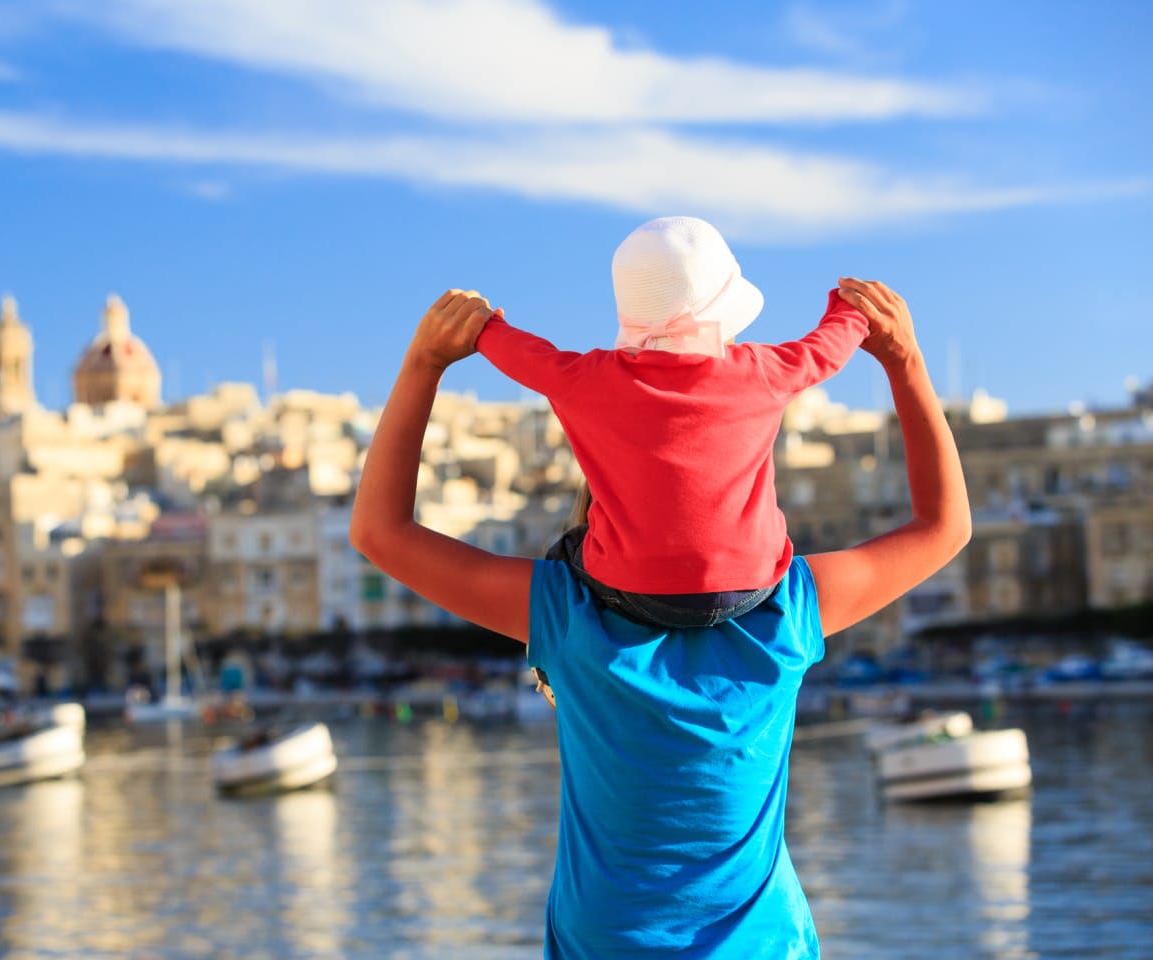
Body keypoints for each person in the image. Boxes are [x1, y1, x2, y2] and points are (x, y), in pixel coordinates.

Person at [349, 279, 971, 958]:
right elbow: (943, 526)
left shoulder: (563, 614)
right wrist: (903, 360)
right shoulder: (788, 613)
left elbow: (380, 531)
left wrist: (425, 363)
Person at [477, 216, 869, 629]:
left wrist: (484, 326)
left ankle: (561, 653)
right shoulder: (761, 370)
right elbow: (825, 349)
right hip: (751, 587)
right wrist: (851, 310)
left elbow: (526, 356)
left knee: (567, 550)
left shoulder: (586, 379)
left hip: (632, 592)